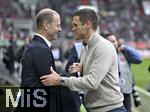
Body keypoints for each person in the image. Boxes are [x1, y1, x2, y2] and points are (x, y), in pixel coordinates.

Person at [40, 9, 126, 112]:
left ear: (87, 24)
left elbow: (92, 82)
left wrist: (61, 80)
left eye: (76, 25)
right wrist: (81, 69)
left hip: (111, 109)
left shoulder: (103, 47)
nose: (72, 29)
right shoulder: (86, 49)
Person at [15, 8, 80, 112]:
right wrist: (74, 76)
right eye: (58, 25)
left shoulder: (37, 47)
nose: (60, 29)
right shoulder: (40, 49)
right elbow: (50, 83)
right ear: (46, 25)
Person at [102, 33, 142, 112]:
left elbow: (139, 59)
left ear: (117, 42)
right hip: (110, 95)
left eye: (114, 41)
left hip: (125, 92)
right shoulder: (101, 56)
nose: (112, 44)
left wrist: (125, 48)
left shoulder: (124, 53)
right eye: (109, 42)